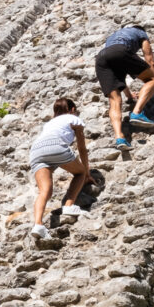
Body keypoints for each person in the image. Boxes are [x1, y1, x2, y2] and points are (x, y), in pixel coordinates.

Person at [94, 25, 154, 150]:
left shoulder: (113, 37)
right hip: (120, 51)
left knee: (114, 100)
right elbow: (150, 61)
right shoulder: (140, 33)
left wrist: (129, 96)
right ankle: (137, 113)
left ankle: (119, 138)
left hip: (101, 58)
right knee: (152, 79)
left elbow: (120, 77)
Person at [28, 98, 89, 239]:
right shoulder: (74, 119)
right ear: (72, 110)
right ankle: (69, 205)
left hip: (36, 150)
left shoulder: (49, 123)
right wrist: (87, 171)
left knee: (44, 191)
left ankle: (38, 225)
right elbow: (82, 148)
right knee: (80, 173)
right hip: (55, 145)